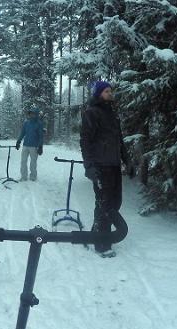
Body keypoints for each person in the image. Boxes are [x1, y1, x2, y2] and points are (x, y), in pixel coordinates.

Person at [80, 81, 128, 258]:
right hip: (100, 166)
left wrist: (127, 160)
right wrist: (89, 166)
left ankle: (96, 231)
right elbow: (85, 141)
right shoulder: (91, 113)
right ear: (98, 93)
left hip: (114, 165)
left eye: (111, 91)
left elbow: (119, 140)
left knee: (115, 202)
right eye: (106, 91)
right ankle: (102, 243)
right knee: (104, 203)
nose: (110, 93)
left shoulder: (112, 114)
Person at [15, 107, 44, 181]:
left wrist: (40, 146)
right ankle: (23, 177)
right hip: (25, 145)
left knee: (33, 163)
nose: (31, 115)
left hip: (34, 147)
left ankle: (33, 177)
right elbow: (22, 133)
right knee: (23, 162)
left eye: (33, 113)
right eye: (30, 113)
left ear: (36, 114)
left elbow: (41, 136)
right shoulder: (26, 123)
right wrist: (18, 141)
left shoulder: (39, 124)